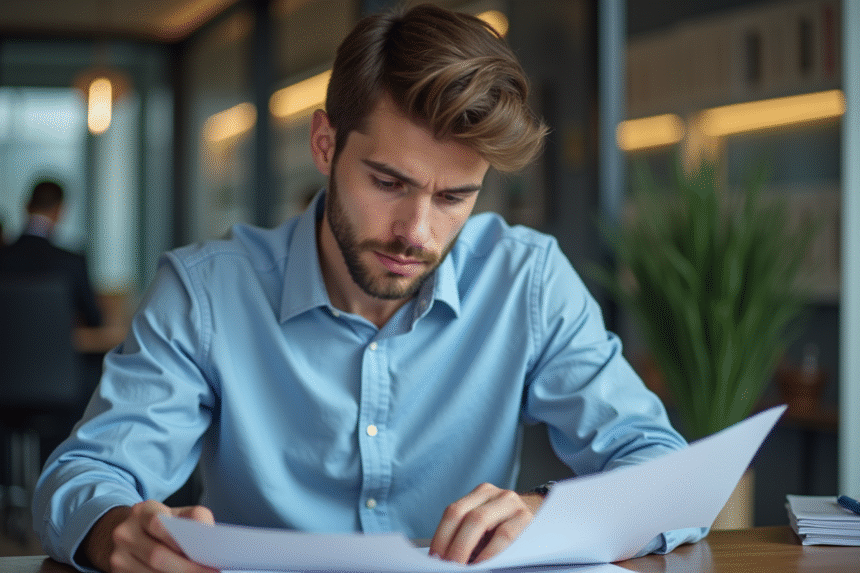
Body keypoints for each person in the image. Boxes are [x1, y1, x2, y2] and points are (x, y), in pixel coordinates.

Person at [33, 5, 706, 573]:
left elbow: (665, 473)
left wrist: (545, 513)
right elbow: (84, 474)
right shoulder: (205, 293)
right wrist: (115, 530)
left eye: (454, 196)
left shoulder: (527, 279)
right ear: (325, 145)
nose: (416, 230)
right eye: (388, 182)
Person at [0, 180, 103, 328]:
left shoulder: (3, 256)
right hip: (60, 350)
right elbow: (94, 319)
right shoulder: (73, 262)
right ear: (59, 211)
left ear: (27, 206)